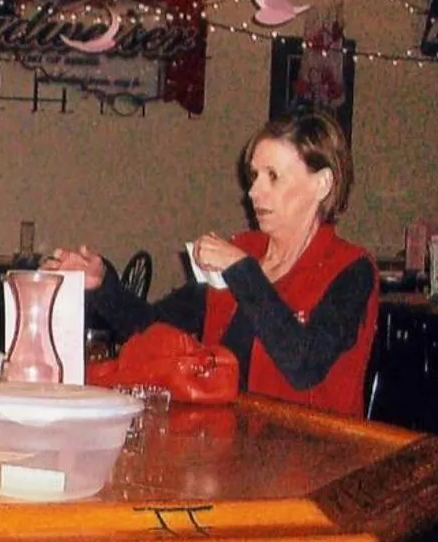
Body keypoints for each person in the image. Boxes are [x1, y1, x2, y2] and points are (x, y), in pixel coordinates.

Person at [45, 110, 378, 415]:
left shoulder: (350, 269)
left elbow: (304, 366)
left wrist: (243, 272)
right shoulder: (242, 251)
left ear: (322, 184)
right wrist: (102, 285)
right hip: (230, 446)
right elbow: (153, 326)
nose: (253, 192)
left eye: (273, 177)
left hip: (316, 457)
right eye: (255, 176)